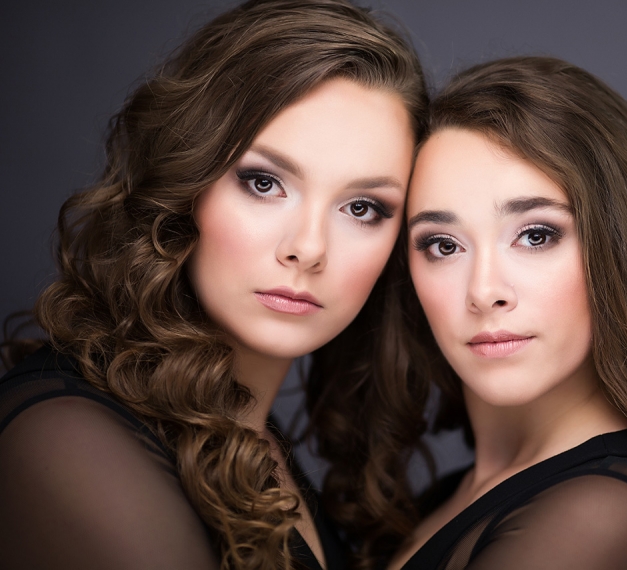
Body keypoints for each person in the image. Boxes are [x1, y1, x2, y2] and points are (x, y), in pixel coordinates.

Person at [0, 1, 427, 569]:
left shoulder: (260, 444)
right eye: (263, 181)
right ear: (187, 182)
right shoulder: (67, 439)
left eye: (362, 207)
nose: (308, 247)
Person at [387, 56, 627, 570]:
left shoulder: (604, 517)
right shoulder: (450, 496)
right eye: (442, 245)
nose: (483, 291)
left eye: (536, 235)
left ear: (620, 251)